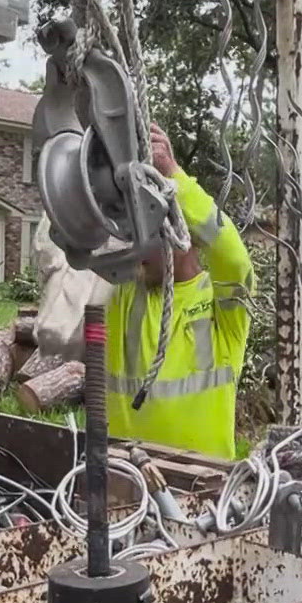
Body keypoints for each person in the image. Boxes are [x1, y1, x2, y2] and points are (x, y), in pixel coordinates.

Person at [103, 125, 253, 460]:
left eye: (150, 232)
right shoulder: (121, 296)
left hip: (206, 487)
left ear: (182, 234)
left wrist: (173, 175)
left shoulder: (223, 310)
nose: (137, 246)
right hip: (127, 481)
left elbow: (233, 257)